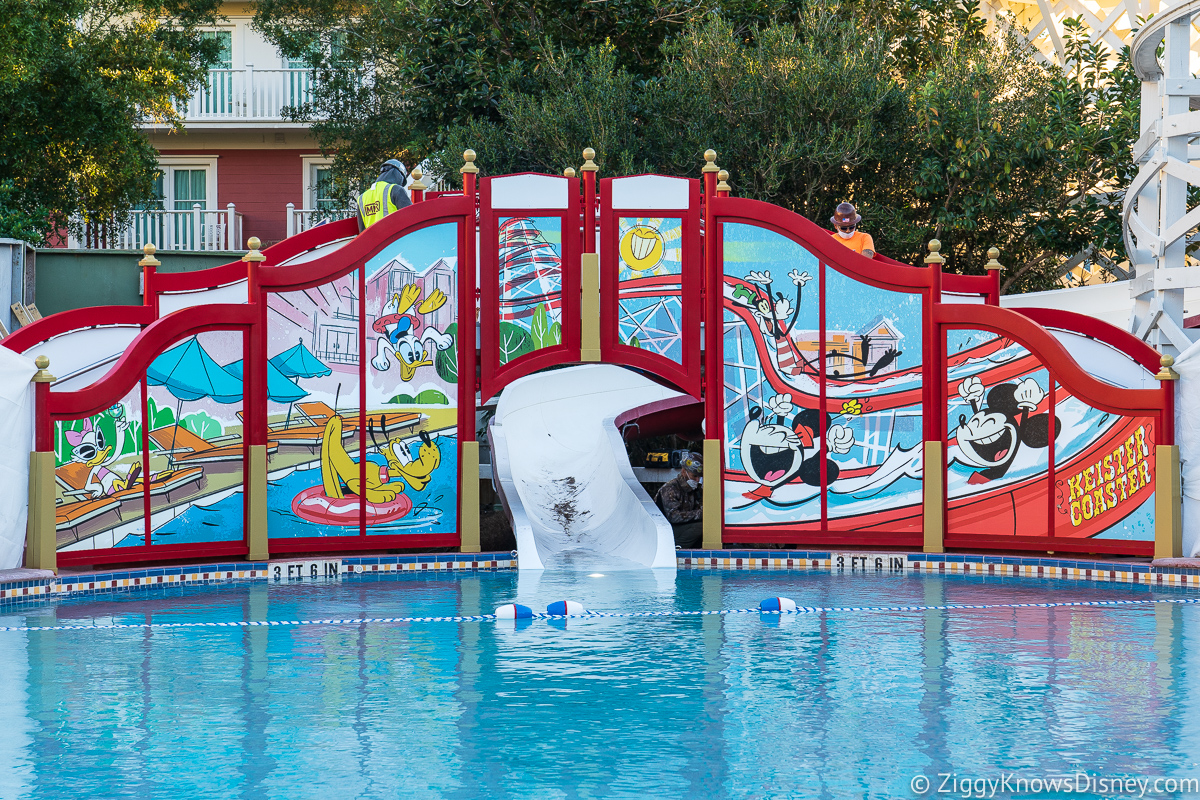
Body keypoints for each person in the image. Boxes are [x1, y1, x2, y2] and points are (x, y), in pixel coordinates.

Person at [655, 451, 704, 548]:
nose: (697, 480)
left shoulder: (696, 490)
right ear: (683, 471)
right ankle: (676, 547)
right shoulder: (670, 488)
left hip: (683, 527)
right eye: (694, 476)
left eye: (699, 477)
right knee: (702, 527)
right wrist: (701, 514)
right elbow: (674, 516)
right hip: (665, 530)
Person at [357, 159, 413, 232]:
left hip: (373, 242)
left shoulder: (362, 198)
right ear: (399, 176)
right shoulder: (395, 190)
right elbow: (411, 217)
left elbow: (362, 230)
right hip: (394, 240)